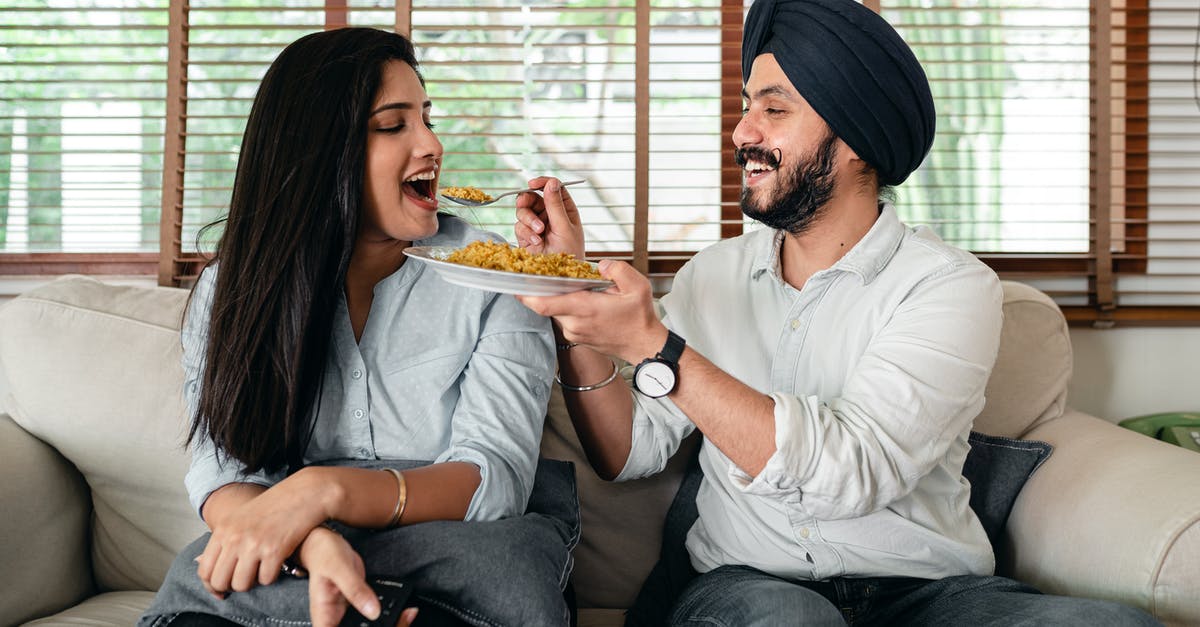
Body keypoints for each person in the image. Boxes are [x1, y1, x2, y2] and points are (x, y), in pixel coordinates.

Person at [513, 0, 1160, 625]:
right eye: (746, 108)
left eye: (774, 109)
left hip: (925, 595)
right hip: (750, 587)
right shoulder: (712, 278)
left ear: (856, 140)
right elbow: (625, 452)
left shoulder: (949, 289)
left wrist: (661, 350)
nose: (742, 132)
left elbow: (852, 468)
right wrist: (575, 298)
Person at [139, 28, 578, 627]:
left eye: (427, 117)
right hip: (298, 542)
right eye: (393, 125)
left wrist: (324, 490)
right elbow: (225, 473)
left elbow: (493, 478)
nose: (431, 143)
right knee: (204, 590)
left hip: (463, 544)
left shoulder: (491, 273)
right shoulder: (233, 288)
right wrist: (311, 539)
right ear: (319, 152)